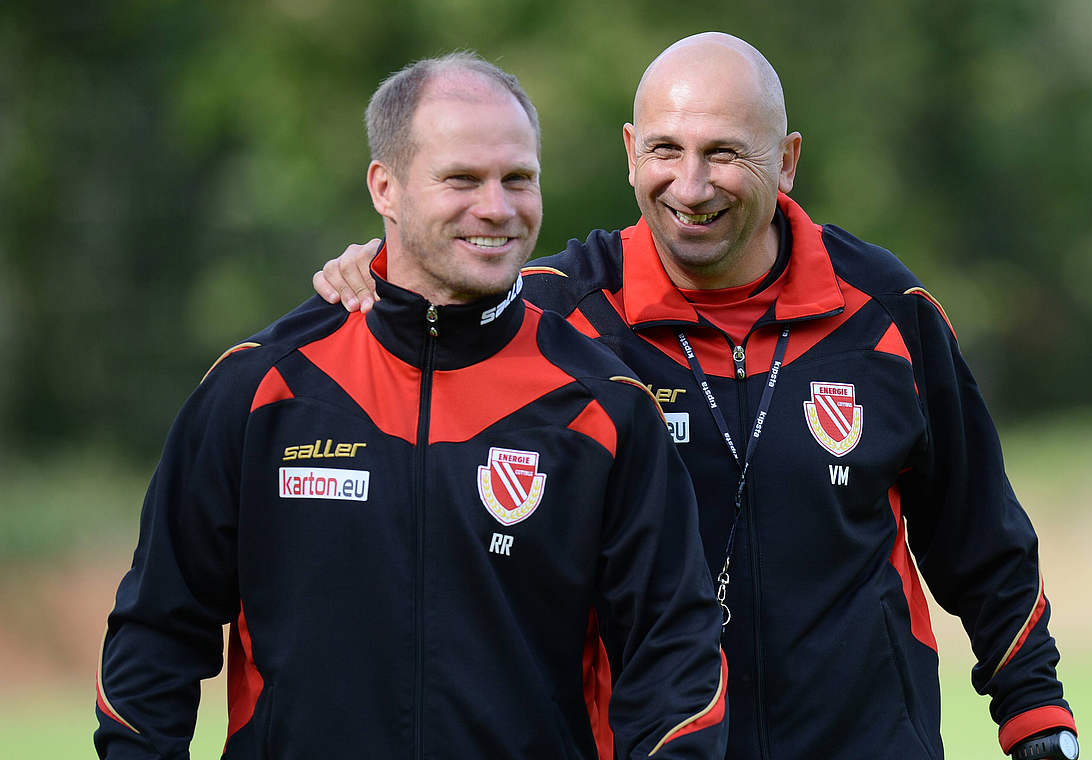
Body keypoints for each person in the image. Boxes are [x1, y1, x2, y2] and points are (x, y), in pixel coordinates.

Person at [315, 34, 1079, 760]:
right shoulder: (554, 313)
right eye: (665, 150)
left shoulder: (887, 310)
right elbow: (433, 317)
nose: (691, 185)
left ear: (785, 162)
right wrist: (379, 266)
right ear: (628, 153)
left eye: (723, 154)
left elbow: (981, 536)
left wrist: (1035, 709)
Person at [95, 52, 729, 760]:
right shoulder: (261, 389)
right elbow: (156, 633)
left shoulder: (603, 408)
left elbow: (675, 661)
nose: (496, 206)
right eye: (461, 178)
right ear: (385, 188)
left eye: (518, 178)